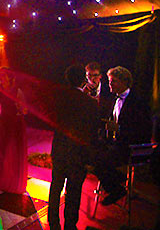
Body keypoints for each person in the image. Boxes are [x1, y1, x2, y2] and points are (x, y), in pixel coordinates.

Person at [48, 64, 98, 230]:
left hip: (60, 148)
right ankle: (70, 225)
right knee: (74, 190)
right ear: (83, 79)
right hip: (78, 152)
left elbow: (51, 120)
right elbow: (92, 131)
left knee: (56, 186)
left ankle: (53, 222)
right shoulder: (89, 103)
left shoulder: (57, 97)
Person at [94, 66, 152, 206]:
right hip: (115, 143)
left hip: (130, 147)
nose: (110, 85)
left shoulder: (137, 102)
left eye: (113, 81)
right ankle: (117, 180)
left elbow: (143, 131)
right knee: (91, 153)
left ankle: (117, 189)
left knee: (99, 161)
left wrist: (119, 129)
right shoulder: (115, 99)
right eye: (109, 81)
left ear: (124, 82)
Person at [0, 67, 28, 194]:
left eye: (3, 75)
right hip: (4, 121)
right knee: (3, 151)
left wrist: (20, 108)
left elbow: (25, 110)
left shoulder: (16, 90)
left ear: (9, 76)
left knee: (14, 152)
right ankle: (2, 180)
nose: (1, 78)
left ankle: (14, 183)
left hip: (15, 122)